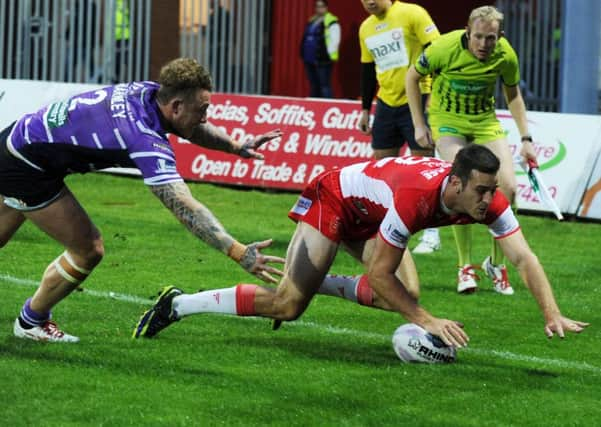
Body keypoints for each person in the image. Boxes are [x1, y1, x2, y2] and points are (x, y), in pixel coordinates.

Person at [133, 145, 588, 346]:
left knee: (400, 298)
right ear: (455, 183)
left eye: (492, 191)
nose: (490, 201)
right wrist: (428, 321)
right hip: (335, 199)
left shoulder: (486, 201)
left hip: (374, 213)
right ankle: (178, 305)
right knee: (289, 305)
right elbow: (377, 273)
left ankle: (315, 282)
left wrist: (552, 313)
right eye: (482, 192)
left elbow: (523, 256)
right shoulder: (415, 200)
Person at [0, 57, 285, 343]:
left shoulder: (147, 92)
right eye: (202, 109)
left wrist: (235, 147)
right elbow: (185, 208)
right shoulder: (143, 137)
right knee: (88, 249)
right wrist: (238, 251)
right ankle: (31, 321)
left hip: (16, 138)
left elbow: (189, 126)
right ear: (175, 106)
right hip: (27, 167)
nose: (205, 117)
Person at [406, 5, 538, 295]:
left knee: (510, 189)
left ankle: (496, 263)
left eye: (490, 38)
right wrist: (419, 124)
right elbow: (411, 77)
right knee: (463, 186)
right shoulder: (444, 47)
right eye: (478, 37)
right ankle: (465, 266)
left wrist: (526, 138)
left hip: (484, 122)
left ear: (499, 36)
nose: (483, 44)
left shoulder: (506, 54)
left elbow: (513, 94)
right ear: (468, 32)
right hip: (448, 122)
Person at [357, 0, 442, 255]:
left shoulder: (412, 13)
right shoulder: (365, 28)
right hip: (385, 104)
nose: (369, 1)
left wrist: (433, 96)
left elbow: (437, 51)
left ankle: (431, 234)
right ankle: (386, 229)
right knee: (383, 170)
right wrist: (364, 109)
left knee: (424, 170)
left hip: (417, 100)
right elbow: (367, 69)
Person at [300, 0, 341, 98]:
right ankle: (313, 106)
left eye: (322, 6)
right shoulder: (312, 20)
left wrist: (329, 54)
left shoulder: (331, 21)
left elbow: (335, 40)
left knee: (324, 85)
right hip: (310, 58)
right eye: (317, 6)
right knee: (314, 85)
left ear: (326, 7)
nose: (319, 9)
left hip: (323, 59)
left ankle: (328, 105)